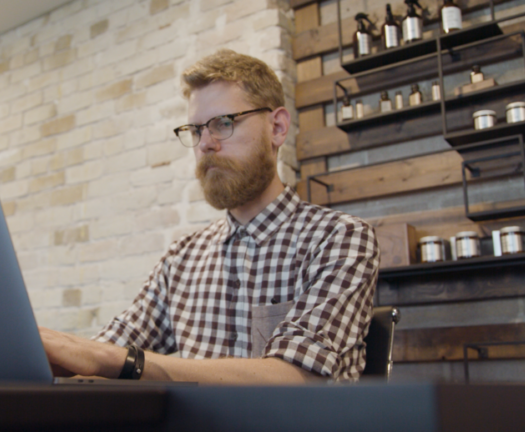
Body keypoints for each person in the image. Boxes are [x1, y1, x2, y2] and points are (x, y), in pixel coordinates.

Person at [38, 49, 379, 384]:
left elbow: (298, 377)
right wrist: (42, 351)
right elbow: (103, 351)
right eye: (196, 130)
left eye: (223, 123)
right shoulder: (182, 259)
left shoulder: (340, 239)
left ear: (276, 127)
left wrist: (117, 360)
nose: (205, 144)